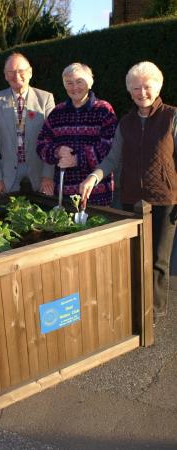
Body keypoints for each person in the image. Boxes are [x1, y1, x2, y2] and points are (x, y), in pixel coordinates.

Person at [79, 61, 177, 323]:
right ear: (129, 91)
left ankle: (153, 312)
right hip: (131, 198)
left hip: (165, 199)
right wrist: (93, 177)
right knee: (133, 256)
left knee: (158, 260)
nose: (141, 92)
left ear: (157, 86)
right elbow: (112, 159)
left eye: (146, 86)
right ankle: (134, 305)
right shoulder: (126, 122)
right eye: (135, 88)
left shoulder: (172, 117)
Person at [36, 62, 117, 205]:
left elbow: (109, 148)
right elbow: (41, 145)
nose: (74, 87)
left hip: (97, 193)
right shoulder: (57, 113)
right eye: (69, 83)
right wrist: (57, 151)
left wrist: (78, 159)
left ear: (90, 83)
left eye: (79, 81)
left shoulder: (104, 110)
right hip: (64, 194)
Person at [0, 52, 55, 198]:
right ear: (5, 75)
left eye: (21, 71)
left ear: (30, 72)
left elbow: (51, 140)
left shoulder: (46, 99)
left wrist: (48, 175)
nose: (16, 76)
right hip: (6, 174)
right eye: (11, 72)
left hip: (38, 172)